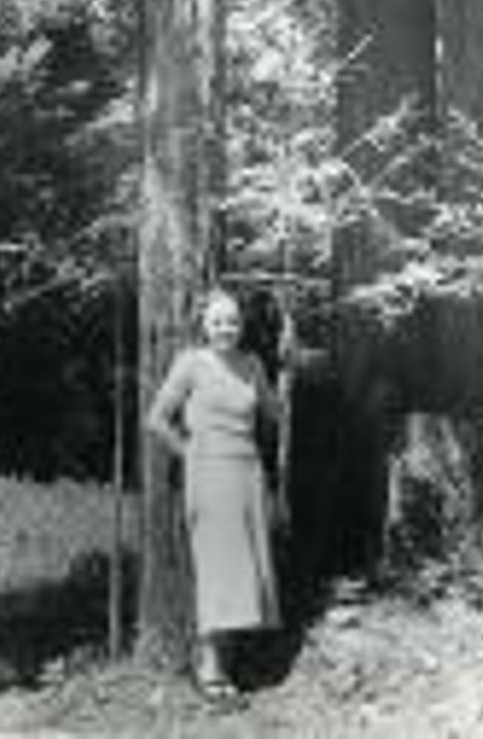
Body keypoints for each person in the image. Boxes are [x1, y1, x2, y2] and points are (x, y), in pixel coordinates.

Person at [147, 287, 282, 702]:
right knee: (218, 571)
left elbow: (272, 412)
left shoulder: (252, 364)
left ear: (242, 327)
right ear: (204, 326)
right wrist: (190, 454)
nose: (227, 329)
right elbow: (157, 420)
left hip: (248, 475)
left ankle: (226, 666)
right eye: (218, 321)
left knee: (246, 571)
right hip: (209, 476)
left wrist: (287, 373)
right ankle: (209, 670)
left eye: (233, 322)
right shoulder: (191, 363)